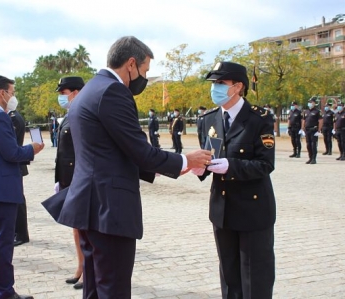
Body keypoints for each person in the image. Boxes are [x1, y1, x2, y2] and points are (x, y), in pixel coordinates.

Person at [49, 36, 211, 298]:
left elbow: (112, 150)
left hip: (89, 204)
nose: (144, 78)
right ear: (131, 64)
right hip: (108, 208)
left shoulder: (90, 89)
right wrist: (185, 160)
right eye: (145, 71)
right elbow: (139, 150)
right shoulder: (113, 91)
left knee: (95, 285)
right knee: (113, 287)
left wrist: (161, 167)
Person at [197, 61, 276, 299]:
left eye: (221, 83)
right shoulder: (208, 119)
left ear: (238, 86)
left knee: (255, 279)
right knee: (230, 278)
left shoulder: (259, 119)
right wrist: (197, 167)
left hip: (252, 210)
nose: (215, 89)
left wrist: (232, 166)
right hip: (222, 210)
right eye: (214, 83)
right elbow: (209, 156)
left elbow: (265, 164)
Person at [0, 75, 44, 299]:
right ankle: (4, 291)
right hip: (2, 187)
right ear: (2, 93)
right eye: (12, 92)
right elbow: (12, 153)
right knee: (2, 242)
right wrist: (32, 149)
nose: (13, 96)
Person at [54, 76, 85, 290]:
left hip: (79, 179)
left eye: (63, 93)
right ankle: (81, 266)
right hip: (68, 179)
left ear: (75, 92)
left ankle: (88, 272)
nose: (61, 97)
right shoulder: (70, 114)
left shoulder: (82, 114)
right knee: (76, 228)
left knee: (84, 229)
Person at [8, 108, 30, 247]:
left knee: (18, 200)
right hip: (14, 164)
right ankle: (18, 232)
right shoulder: (10, 116)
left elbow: (13, 143)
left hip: (15, 163)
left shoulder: (14, 117)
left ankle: (21, 234)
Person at [301, 98, 323, 164]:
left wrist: (319, 130)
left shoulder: (317, 111)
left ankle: (314, 159)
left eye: (311, 102)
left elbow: (320, 121)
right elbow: (304, 120)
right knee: (308, 145)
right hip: (307, 130)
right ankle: (310, 158)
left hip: (314, 130)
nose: (310, 103)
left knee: (313, 145)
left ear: (314, 103)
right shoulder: (306, 111)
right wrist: (302, 128)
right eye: (309, 102)